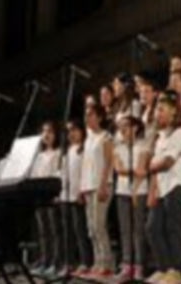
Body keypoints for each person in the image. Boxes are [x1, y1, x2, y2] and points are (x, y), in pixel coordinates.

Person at [146, 91, 181, 284]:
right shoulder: (160, 137)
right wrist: (152, 191)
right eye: (157, 109)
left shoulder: (180, 133)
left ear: (173, 112)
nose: (157, 113)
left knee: (172, 227)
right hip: (161, 188)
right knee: (152, 227)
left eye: (161, 109)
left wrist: (150, 166)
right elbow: (156, 169)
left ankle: (176, 270)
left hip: (176, 185)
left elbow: (166, 162)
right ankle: (163, 268)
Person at [78, 103, 116, 279]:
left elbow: (109, 163)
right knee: (91, 227)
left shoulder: (105, 137)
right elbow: (85, 165)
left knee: (99, 225)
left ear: (99, 117)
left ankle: (107, 262)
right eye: (86, 115)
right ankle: (97, 260)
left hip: (102, 185)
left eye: (91, 114)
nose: (87, 118)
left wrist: (102, 185)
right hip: (88, 186)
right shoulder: (88, 139)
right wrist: (81, 187)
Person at [112, 115, 151, 282]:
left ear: (135, 128)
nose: (122, 130)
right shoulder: (118, 147)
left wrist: (135, 188)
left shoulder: (143, 145)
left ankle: (140, 265)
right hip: (122, 191)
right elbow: (119, 169)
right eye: (120, 127)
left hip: (139, 191)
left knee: (138, 230)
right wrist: (133, 170)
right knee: (125, 229)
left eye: (126, 126)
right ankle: (127, 264)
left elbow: (142, 171)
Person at [29, 121, 63, 277]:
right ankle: (44, 260)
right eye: (43, 131)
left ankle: (56, 262)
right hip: (39, 196)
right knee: (42, 231)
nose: (46, 134)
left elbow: (58, 173)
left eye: (50, 131)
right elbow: (34, 175)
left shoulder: (59, 153)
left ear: (55, 135)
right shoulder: (38, 156)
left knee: (54, 230)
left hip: (51, 195)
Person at [60, 120, 92, 277]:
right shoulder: (67, 151)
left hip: (78, 195)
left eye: (74, 130)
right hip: (66, 196)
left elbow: (86, 172)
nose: (71, 134)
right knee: (68, 232)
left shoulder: (84, 150)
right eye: (68, 131)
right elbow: (63, 175)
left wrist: (82, 191)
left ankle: (86, 261)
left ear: (81, 131)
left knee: (81, 231)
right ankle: (69, 262)